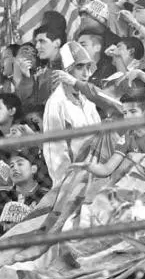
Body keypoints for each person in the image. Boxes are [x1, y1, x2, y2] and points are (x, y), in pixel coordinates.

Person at [42, 42, 101, 184]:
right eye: (79, 67)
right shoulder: (55, 104)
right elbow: (55, 154)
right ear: (65, 70)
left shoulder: (88, 101)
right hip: (72, 184)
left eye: (88, 67)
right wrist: (66, 186)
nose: (86, 73)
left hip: (95, 176)